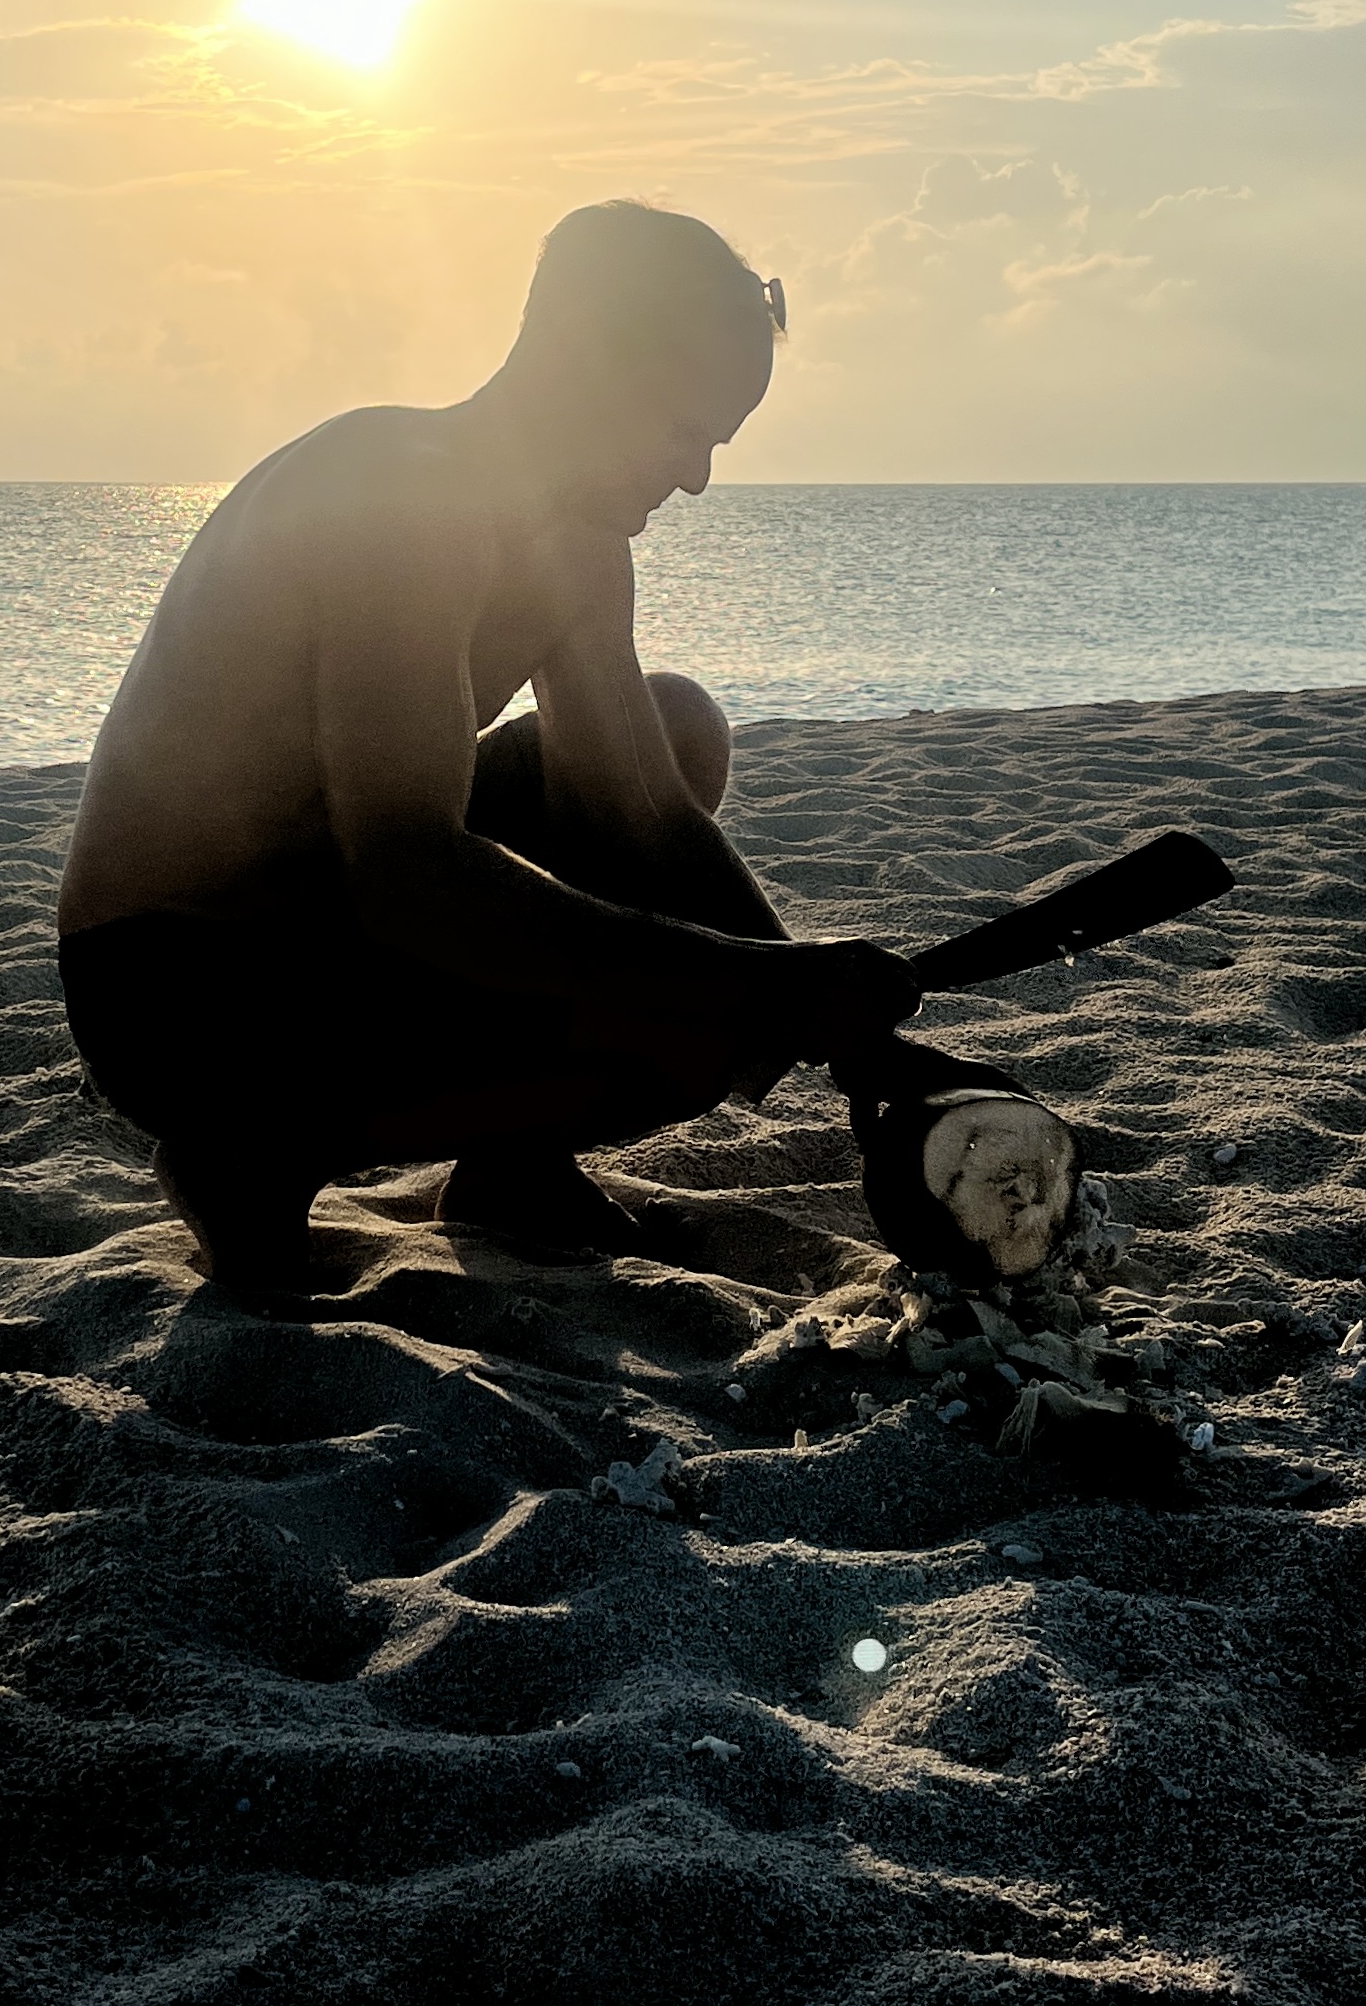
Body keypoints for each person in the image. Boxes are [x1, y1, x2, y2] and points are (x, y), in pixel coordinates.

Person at [56, 201, 920, 1293]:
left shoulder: (576, 546)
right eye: (684, 430)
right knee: (689, 1025)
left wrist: (845, 1038)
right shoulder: (406, 497)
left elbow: (642, 814)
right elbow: (409, 873)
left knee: (675, 726)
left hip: (328, 913)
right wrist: (749, 989)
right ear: (586, 368)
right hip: (176, 984)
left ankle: (513, 1169)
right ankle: (256, 1150)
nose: (697, 476)